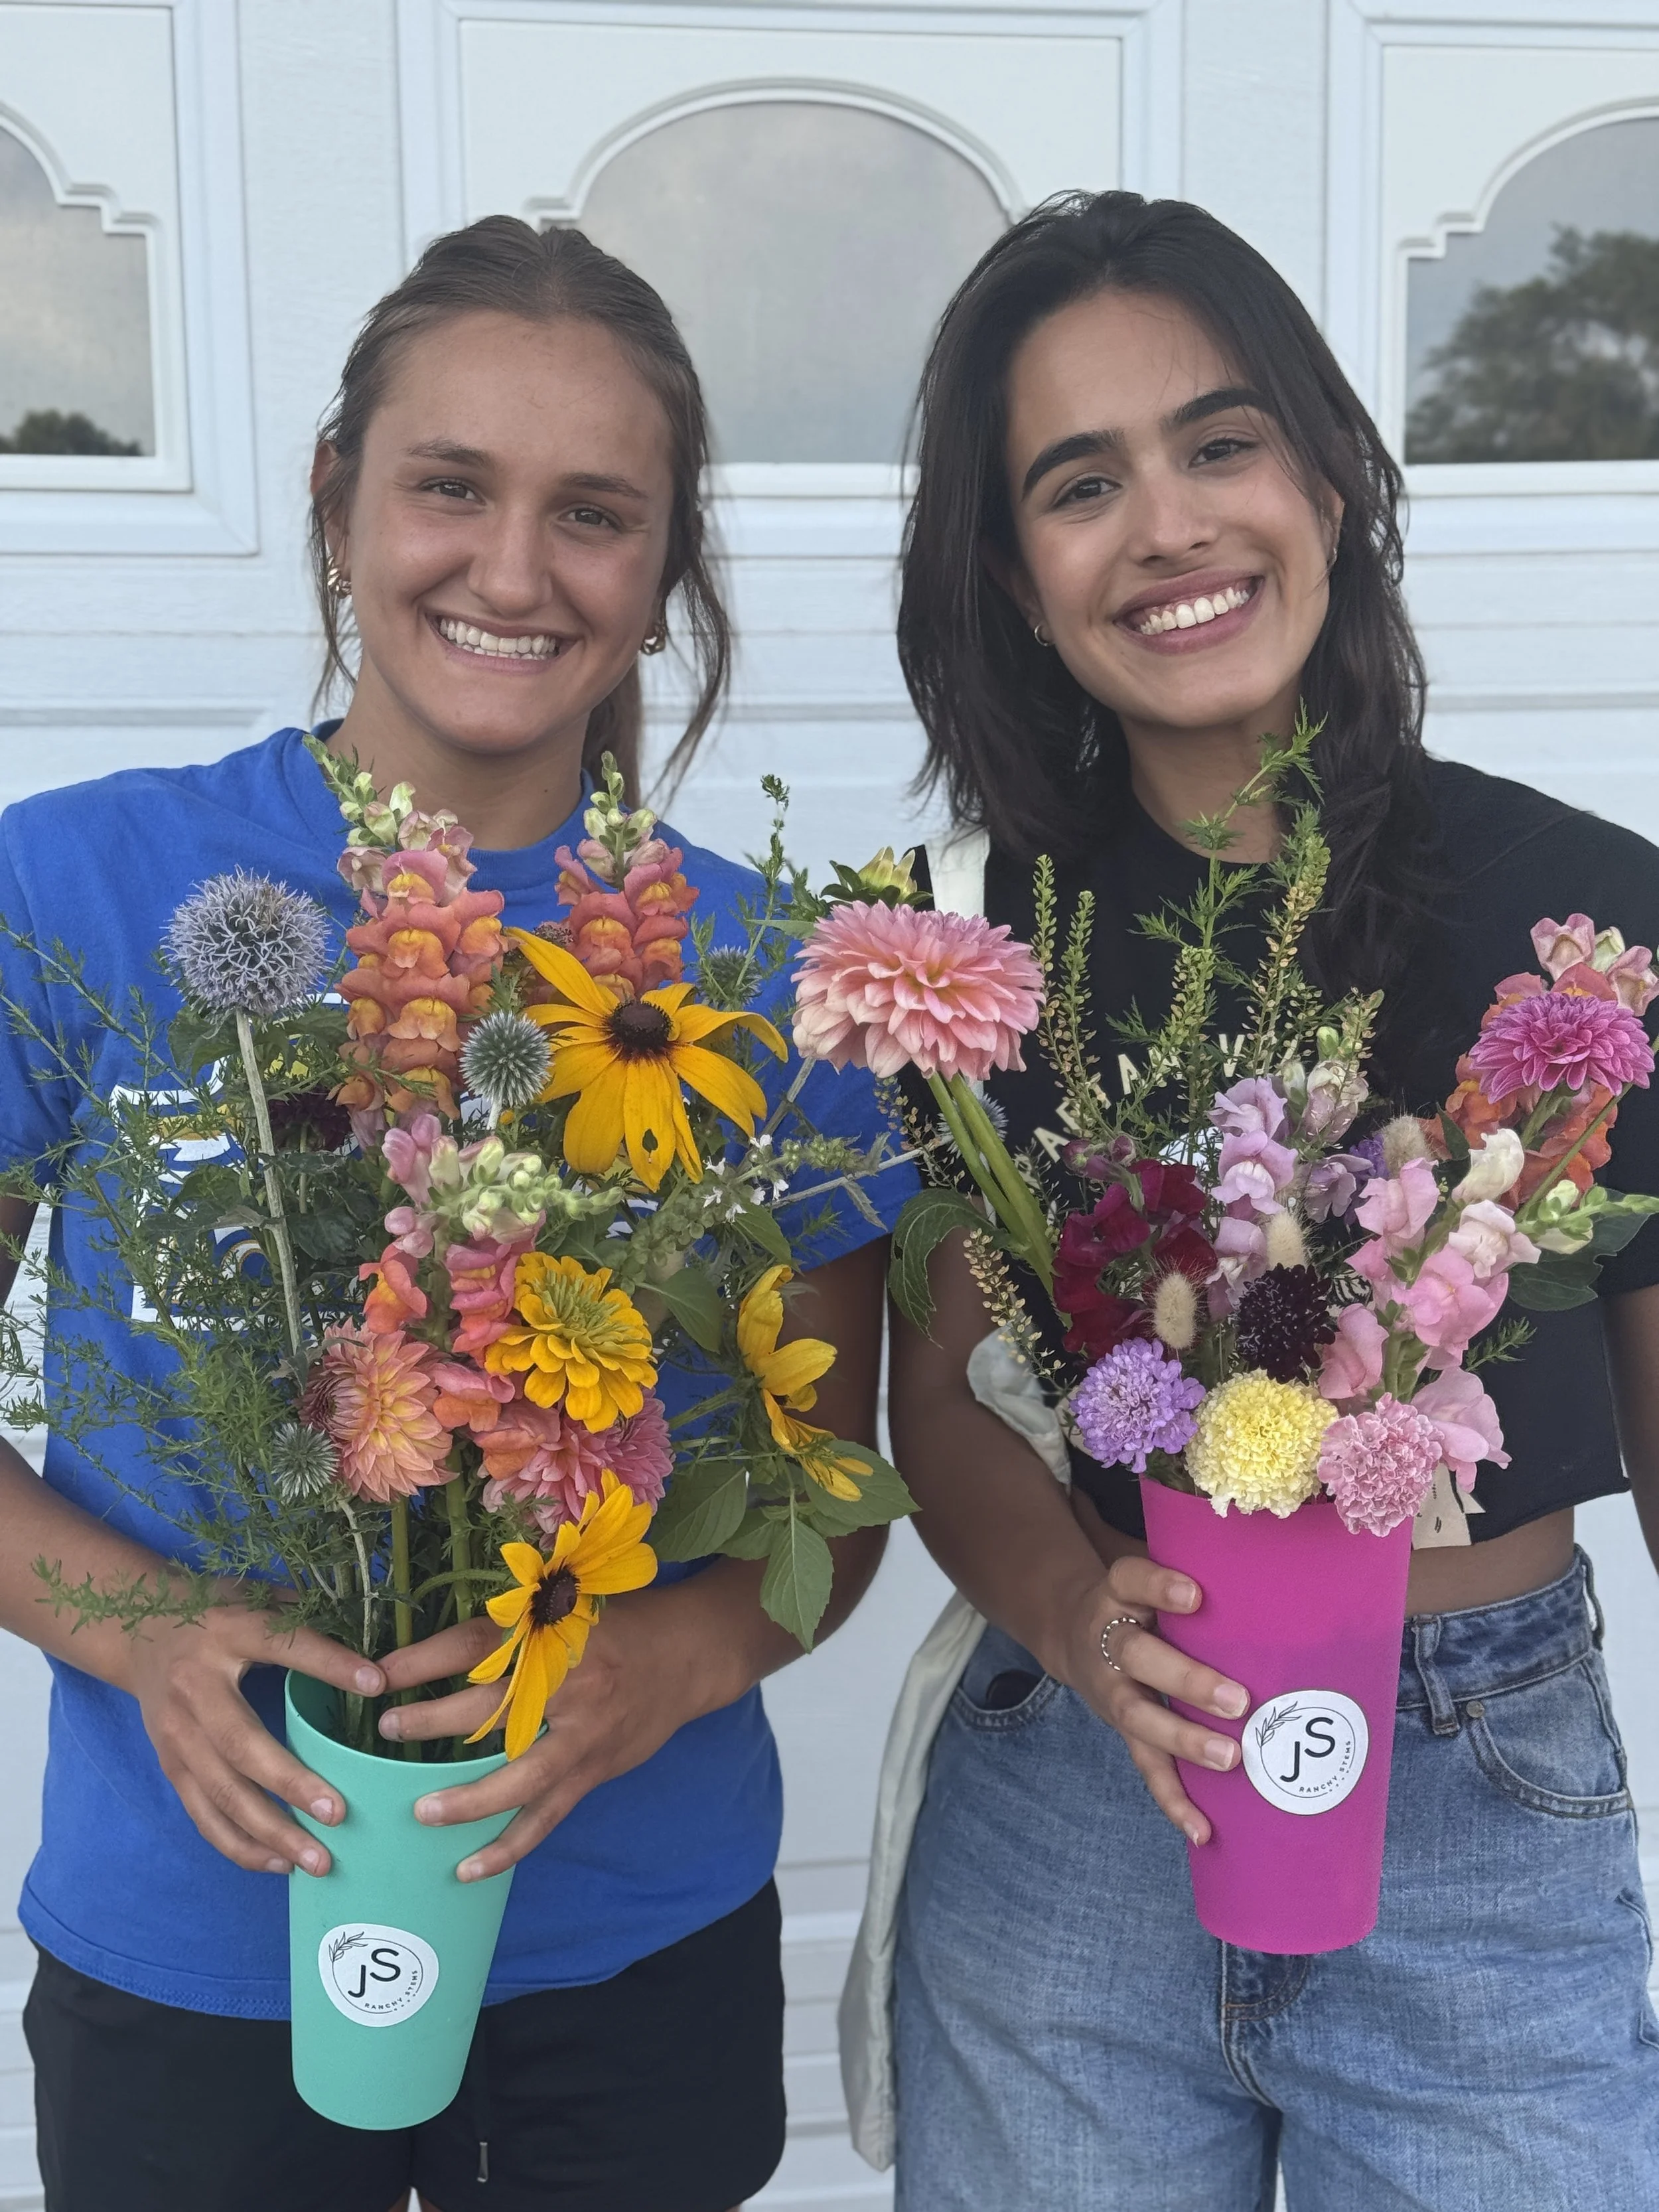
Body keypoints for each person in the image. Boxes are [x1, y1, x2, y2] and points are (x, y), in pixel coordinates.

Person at [0, 216, 910, 2212]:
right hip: (198, 1943)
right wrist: (146, 1633)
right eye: (447, 487)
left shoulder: (775, 978)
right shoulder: (71, 892)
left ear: (663, 571)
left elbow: (827, 1492)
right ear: (338, 505)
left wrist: (654, 1666)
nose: (510, 571)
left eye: (592, 513)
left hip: (629, 1948)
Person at [879, 190, 1659, 2209]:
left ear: (1322, 470)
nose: (1166, 525)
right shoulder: (980, 945)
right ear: (1010, 568)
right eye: (1078, 482)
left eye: (1216, 444)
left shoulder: (1585, 929)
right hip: (1079, 1790)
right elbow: (950, 1400)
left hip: (1479, 1800)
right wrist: (1064, 1603)